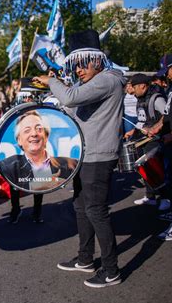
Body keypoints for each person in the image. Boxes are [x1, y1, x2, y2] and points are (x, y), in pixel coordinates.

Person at [33, 29, 124, 288]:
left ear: (95, 59)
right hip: (85, 155)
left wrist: (52, 81)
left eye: (82, 64)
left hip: (98, 156)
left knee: (96, 211)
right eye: (75, 66)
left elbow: (70, 97)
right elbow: (69, 106)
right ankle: (85, 258)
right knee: (81, 207)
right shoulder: (91, 84)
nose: (79, 70)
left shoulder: (108, 80)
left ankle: (111, 271)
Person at [0, 110, 78, 191]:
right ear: (19, 140)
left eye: (39, 129)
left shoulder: (68, 164)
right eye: (27, 130)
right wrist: (34, 185)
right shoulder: (8, 166)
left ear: (46, 136)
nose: (34, 134)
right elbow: (5, 187)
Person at [126, 73, 169, 211]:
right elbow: (142, 120)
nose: (131, 89)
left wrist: (155, 128)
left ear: (142, 86)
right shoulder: (140, 98)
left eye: (133, 86)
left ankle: (165, 198)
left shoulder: (156, 99)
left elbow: (167, 115)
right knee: (145, 169)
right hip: (144, 139)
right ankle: (150, 196)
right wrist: (134, 131)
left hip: (157, 139)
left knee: (157, 169)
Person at [155, 54, 172, 240]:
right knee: (170, 180)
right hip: (169, 143)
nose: (166, 76)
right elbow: (168, 113)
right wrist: (158, 126)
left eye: (167, 71)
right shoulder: (171, 88)